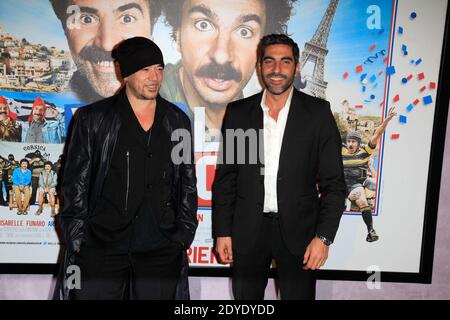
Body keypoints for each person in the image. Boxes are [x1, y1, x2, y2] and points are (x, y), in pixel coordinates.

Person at [54, 37, 197, 300]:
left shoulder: (178, 120)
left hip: (160, 249)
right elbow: (74, 184)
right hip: (101, 248)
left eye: (159, 68)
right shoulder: (93, 120)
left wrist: (182, 236)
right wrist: (79, 240)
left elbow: (187, 182)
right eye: (145, 69)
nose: (155, 77)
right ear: (125, 73)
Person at [212, 34, 346, 300]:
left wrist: (324, 238)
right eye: (269, 61)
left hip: (301, 234)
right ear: (260, 66)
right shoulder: (239, 113)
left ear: (296, 67)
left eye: (285, 62)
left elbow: (334, 184)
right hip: (248, 231)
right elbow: (228, 178)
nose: (276, 69)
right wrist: (223, 231)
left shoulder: (317, 114)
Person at [160, 0, 296, 138]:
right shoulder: (150, 106)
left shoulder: (267, 122)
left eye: (244, 32)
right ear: (178, 35)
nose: (221, 56)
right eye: (203, 25)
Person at [50, 0, 162, 102]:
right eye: (87, 19)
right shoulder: (64, 114)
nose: (107, 45)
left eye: (127, 18)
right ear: (65, 28)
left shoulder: (172, 115)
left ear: (151, 28)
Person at [342, 107, 396, 242]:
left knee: (379, 186)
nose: (350, 144)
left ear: (358, 143)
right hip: (352, 184)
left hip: (364, 180)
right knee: (361, 199)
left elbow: (377, 134)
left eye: (353, 141)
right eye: (349, 141)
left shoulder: (366, 151)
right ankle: (370, 230)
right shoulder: (340, 151)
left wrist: (386, 122)